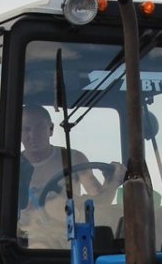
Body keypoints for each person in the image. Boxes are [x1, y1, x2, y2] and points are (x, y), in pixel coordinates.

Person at [17, 105, 118, 249]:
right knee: (39, 253)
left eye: (39, 128)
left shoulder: (73, 158)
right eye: (26, 129)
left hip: (69, 236)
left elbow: (100, 202)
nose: (33, 135)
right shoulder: (13, 165)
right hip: (28, 239)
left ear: (50, 129)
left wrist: (111, 182)